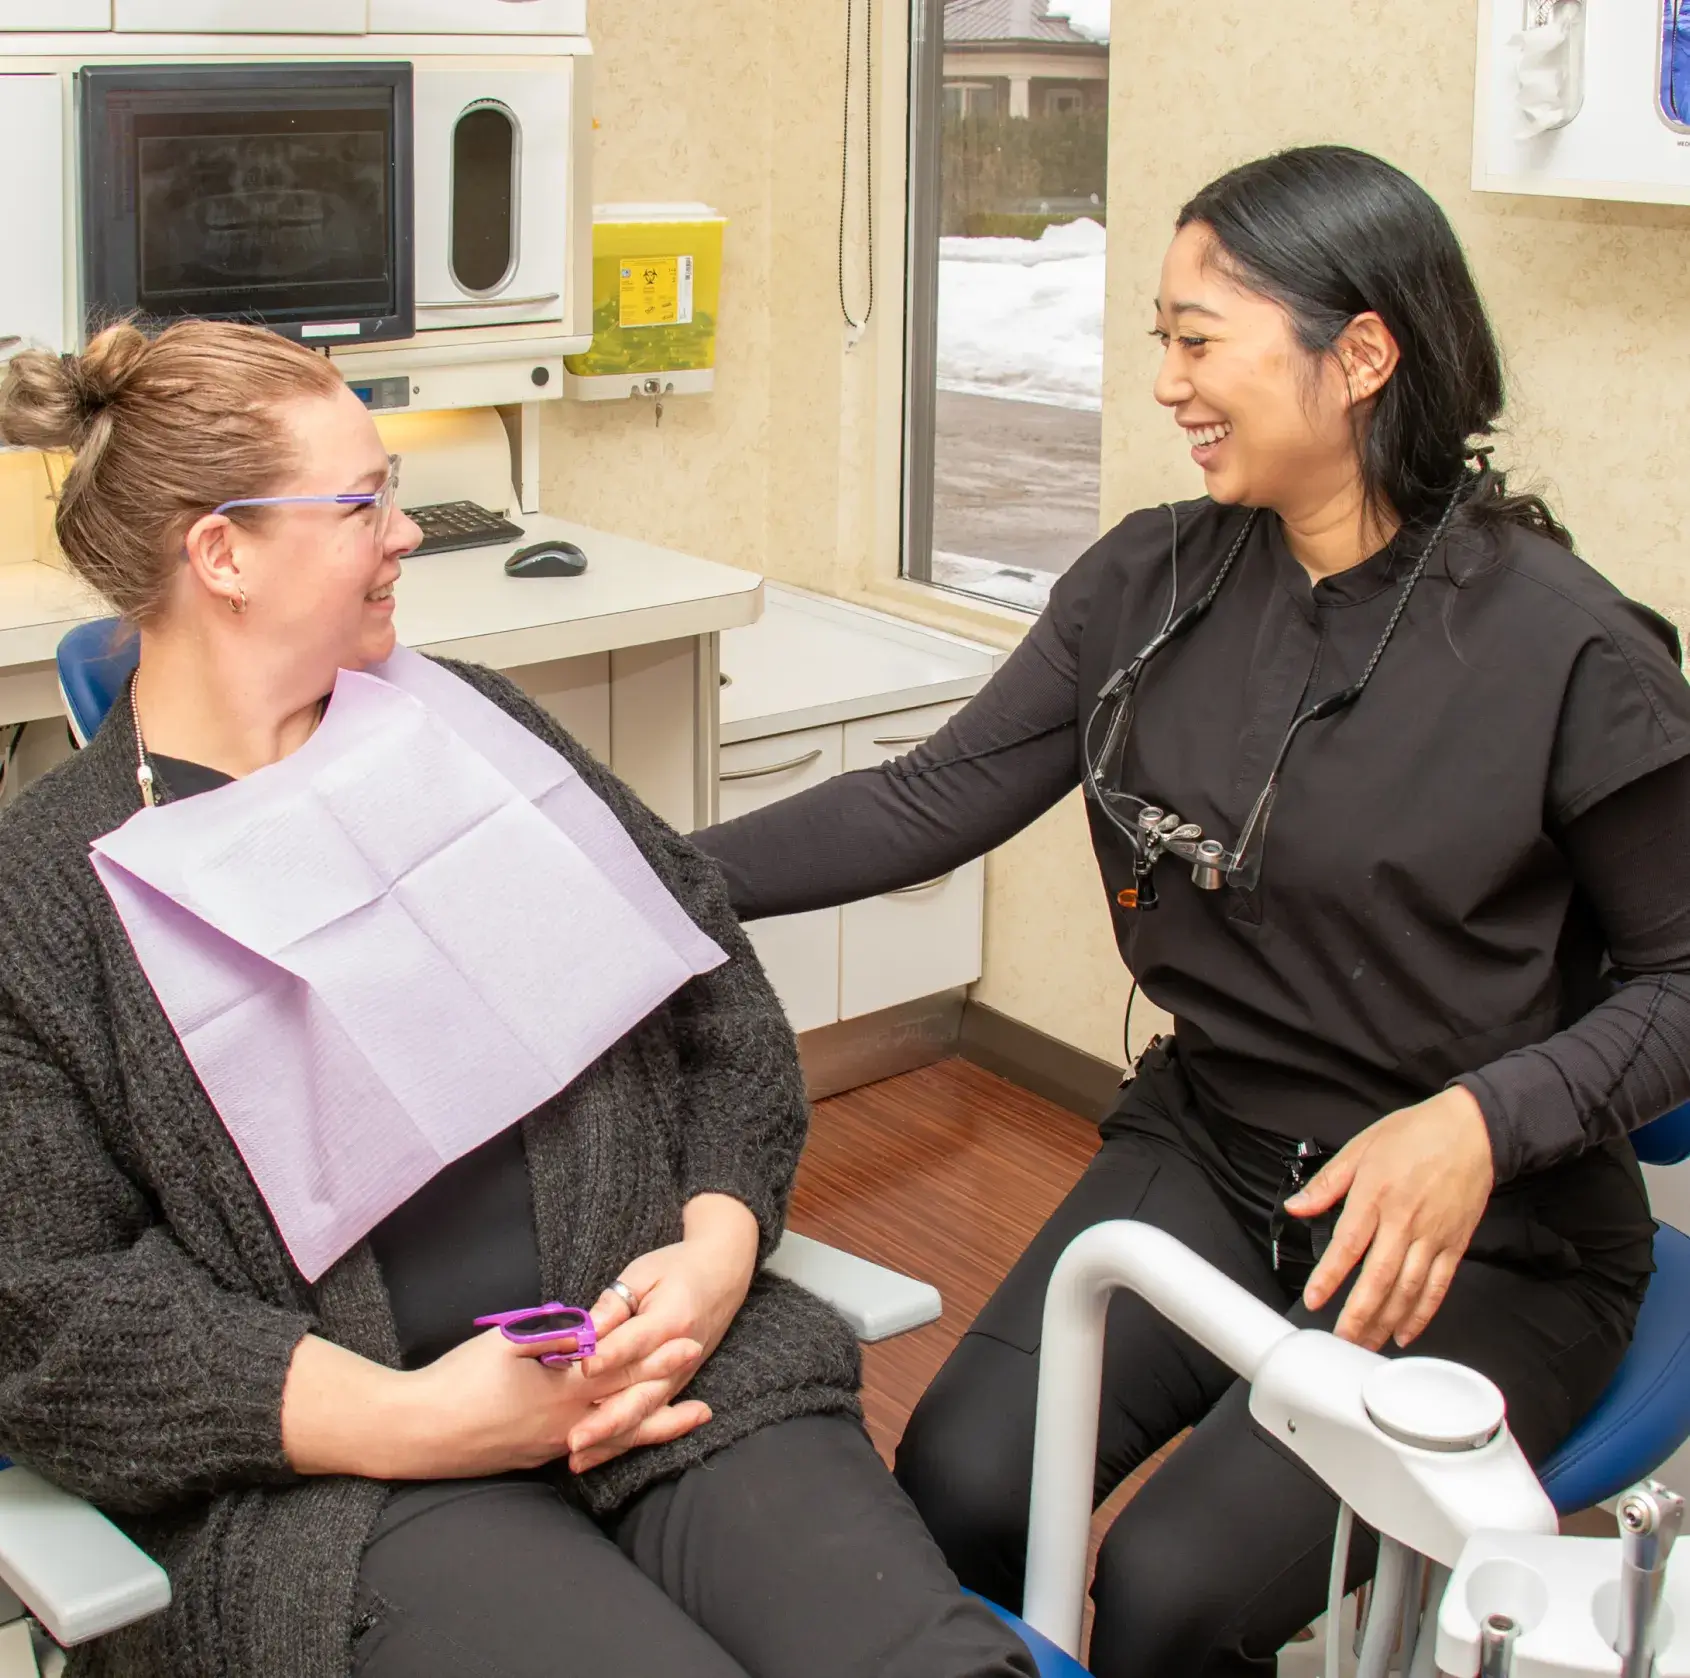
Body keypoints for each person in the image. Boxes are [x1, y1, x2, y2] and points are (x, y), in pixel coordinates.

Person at [695, 144, 1690, 1676]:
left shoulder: (1571, 652)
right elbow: (927, 799)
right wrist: (644, 865)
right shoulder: (1150, 583)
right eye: (1157, 336)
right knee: (958, 1482)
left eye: (1196, 335)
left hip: (1487, 1232)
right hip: (1216, 1154)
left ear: (1358, 353)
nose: (1164, 380)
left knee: (1170, 1592)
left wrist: (1479, 1122)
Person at [0, 319, 1037, 1678]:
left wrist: (717, 1243)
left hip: (667, 1368)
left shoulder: (475, 729)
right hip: (355, 1485)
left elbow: (710, 1000)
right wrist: (420, 1419)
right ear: (224, 554)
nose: (408, 531)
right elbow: (54, 1311)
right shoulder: (46, 899)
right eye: (365, 499)